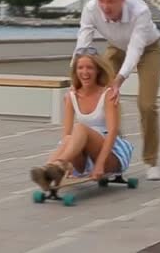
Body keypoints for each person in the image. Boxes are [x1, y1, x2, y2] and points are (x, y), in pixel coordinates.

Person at [72, 0, 160, 181]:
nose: (105, 6)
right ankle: (114, 153)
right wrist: (74, 75)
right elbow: (83, 42)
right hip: (116, 47)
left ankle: (151, 161)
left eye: (110, 1)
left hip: (148, 50)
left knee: (147, 105)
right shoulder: (91, 8)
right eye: (102, 1)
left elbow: (135, 48)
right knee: (102, 96)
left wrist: (119, 79)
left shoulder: (140, 11)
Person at [30, 48, 134, 190]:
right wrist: (71, 159)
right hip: (83, 156)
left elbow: (113, 132)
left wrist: (100, 165)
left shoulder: (108, 94)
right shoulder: (71, 96)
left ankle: (57, 166)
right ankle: (48, 171)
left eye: (89, 68)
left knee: (79, 127)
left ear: (98, 70)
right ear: (76, 72)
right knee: (68, 138)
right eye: (80, 68)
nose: (84, 72)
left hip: (109, 155)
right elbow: (66, 135)